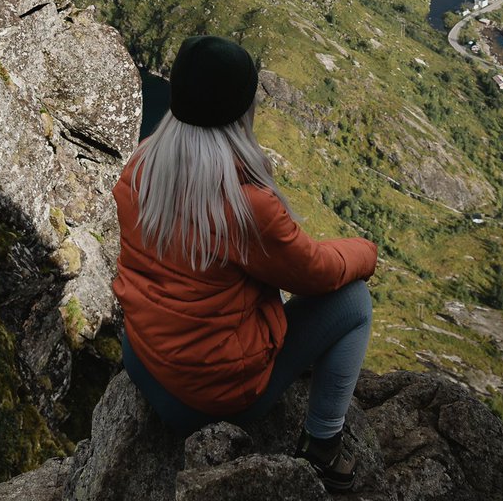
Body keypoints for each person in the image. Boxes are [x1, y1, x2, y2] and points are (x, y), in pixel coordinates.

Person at [112, 34, 377, 492]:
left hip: (143, 359)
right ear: (241, 112)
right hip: (209, 400)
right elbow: (318, 273)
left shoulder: (141, 168)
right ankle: (322, 446)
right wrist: (365, 252)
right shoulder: (242, 206)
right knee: (353, 302)